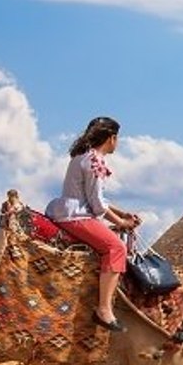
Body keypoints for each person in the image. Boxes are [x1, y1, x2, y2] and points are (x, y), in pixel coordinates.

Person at [45, 116, 141, 332]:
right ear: (111, 138)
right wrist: (122, 223)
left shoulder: (82, 156)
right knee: (116, 248)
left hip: (67, 211)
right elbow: (96, 204)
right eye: (118, 138)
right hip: (76, 216)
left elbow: (95, 198)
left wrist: (122, 214)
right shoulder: (95, 161)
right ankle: (104, 309)